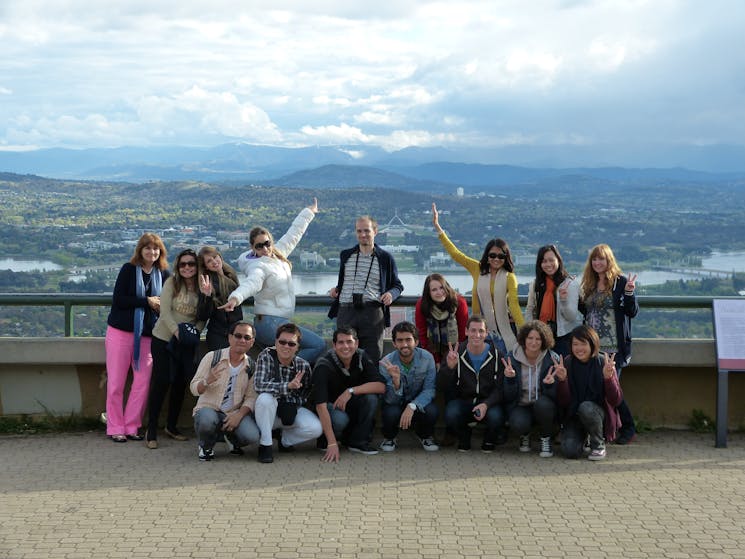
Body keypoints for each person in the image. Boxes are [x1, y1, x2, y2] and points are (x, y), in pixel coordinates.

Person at [220, 199, 325, 364]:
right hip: (271, 323)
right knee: (317, 345)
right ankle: (286, 372)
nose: (265, 249)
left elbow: (293, 235)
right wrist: (235, 298)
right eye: (259, 246)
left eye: (267, 243)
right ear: (252, 248)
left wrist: (309, 212)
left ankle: (280, 374)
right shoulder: (257, 266)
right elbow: (251, 284)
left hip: (276, 321)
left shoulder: (277, 254)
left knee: (282, 356)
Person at [432, 203, 523, 354]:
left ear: (506, 257)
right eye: (492, 255)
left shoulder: (509, 277)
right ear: (487, 256)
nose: (496, 259)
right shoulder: (477, 269)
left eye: (501, 256)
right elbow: (456, 254)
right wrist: (438, 227)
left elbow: (514, 306)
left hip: (505, 329)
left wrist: (526, 331)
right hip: (480, 331)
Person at [104, 233, 169, 443]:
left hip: (148, 336)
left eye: (156, 249)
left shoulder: (164, 274)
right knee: (116, 383)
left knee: (141, 383)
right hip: (121, 333)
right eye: (148, 248)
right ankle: (115, 426)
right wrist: (146, 301)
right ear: (140, 251)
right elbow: (119, 299)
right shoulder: (128, 270)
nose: (152, 252)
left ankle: (132, 426)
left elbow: (169, 302)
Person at [579, 243, 639, 444]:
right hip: (592, 347)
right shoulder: (589, 283)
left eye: (601, 259)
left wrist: (630, 293)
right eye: (594, 259)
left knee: (613, 389)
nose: (597, 262)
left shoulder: (620, 282)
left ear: (609, 260)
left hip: (613, 348)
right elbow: (584, 311)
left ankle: (628, 428)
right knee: (599, 390)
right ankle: (606, 429)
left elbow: (632, 312)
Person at [145, 248, 205, 449]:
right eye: (183, 264)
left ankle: (171, 426)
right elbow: (164, 311)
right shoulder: (172, 282)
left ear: (197, 266)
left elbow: (203, 316)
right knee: (162, 381)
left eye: (191, 264)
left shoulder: (202, 286)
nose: (187, 267)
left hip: (186, 342)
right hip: (163, 338)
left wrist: (193, 333)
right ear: (178, 267)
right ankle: (151, 429)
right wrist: (176, 332)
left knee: (180, 383)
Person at [327, 215, 403, 362]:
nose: (362, 235)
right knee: (344, 357)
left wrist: (391, 294)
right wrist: (337, 289)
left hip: (372, 313)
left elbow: (397, 285)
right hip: (346, 311)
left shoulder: (385, 258)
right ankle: (349, 385)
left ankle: (370, 385)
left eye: (366, 231)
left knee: (371, 357)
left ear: (375, 231)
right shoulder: (346, 255)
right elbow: (345, 280)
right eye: (359, 231)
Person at [312, 327, 386, 462]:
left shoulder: (361, 356)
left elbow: (381, 386)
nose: (345, 346)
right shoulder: (324, 364)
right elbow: (320, 406)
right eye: (341, 342)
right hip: (329, 408)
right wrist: (332, 444)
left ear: (356, 344)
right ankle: (326, 440)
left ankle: (357, 442)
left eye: (349, 342)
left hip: (350, 405)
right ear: (334, 345)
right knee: (341, 420)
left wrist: (350, 391)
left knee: (371, 399)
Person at [550, 325, 623, 461]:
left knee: (586, 407)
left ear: (592, 344)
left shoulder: (602, 362)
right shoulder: (567, 363)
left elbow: (616, 400)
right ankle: (584, 437)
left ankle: (598, 445)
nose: (579, 348)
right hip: (574, 416)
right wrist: (563, 380)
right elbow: (563, 401)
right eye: (575, 344)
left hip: (597, 414)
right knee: (570, 451)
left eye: (583, 343)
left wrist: (609, 378)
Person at [189, 321, 260, 461]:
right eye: (238, 336)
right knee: (206, 420)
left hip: (232, 412)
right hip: (209, 409)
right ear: (229, 338)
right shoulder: (212, 357)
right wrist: (206, 381)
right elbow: (193, 388)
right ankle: (206, 446)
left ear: (252, 342)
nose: (241, 340)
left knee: (252, 436)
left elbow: (251, 397)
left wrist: (239, 416)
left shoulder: (252, 366)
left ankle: (231, 439)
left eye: (246, 337)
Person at [253, 323, 322, 464]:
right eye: (282, 342)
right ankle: (265, 445)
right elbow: (259, 385)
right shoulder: (266, 356)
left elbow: (307, 391)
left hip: (289, 408)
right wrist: (288, 386)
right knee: (265, 398)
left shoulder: (303, 365)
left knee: (315, 428)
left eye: (291, 344)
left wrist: (292, 405)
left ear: (297, 347)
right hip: (266, 411)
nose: (286, 346)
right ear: (275, 342)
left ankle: (285, 440)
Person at [440, 315, 506, 452]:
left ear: (486, 333)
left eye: (481, 331)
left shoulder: (497, 355)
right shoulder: (454, 353)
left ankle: (489, 439)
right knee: (451, 413)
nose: (477, 335)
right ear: (466, 331)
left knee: (497, 416)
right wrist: (450, 369)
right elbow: (442, 385)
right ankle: (464, 436)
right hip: (464, 401)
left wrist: (486, 404)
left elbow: (500, 388)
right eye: (473, 330)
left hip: (487, 402)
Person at [502, 320, 560, 458]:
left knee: (544, 405)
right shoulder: (511, 359)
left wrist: (550, 385)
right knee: (517, 422)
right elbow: (508, 396)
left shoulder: (553, 359)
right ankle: (524, 435)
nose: (534, 342)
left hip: (541, 404)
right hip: (521, 405)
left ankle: (545, 438)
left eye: (538, 339)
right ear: (524, 339)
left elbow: (555, 397)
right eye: (530, 338)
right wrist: (510, 380)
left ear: (544, 341)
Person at [378, 321, 439, 452]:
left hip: (418, 404)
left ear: (416, 342)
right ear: (394, 343)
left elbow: (430, 389)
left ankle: (424, 435)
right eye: (400, 340)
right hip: (396, 403)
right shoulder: (386, 363)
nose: (404, 344)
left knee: (432, 411)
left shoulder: (427, 358)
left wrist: (412, 406)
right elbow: (389, 400)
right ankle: (389, 437)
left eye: (408, 340)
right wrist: (396, 381)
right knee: (390, 412)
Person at [524, 245, 581, 356]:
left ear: (558, 261)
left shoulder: (569, 284)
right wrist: (529, 333)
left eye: (551, 260)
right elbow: (530, 309)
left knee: (562, 371)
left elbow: (571, 317)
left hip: (562, 338)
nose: (548, 264)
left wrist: (563, 300)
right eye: (544, 261)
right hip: (540, 337)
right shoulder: (536, 284)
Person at [414, 273, 468, 364]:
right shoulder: (422, 305)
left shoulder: (458, 302)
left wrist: (456, 355)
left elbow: (463, 333)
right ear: (428, 292)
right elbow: (422, 334)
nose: (439, 292)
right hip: (432, 350)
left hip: (456, 350)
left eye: (441, 287)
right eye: (434, 290)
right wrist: (435, 360)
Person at [196, 245, 243, 351]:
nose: (214, 261)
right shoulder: (208, 284)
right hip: (220, 336)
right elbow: (202, 315)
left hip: (235, 333)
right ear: (206, 266)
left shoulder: (230, 275)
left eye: (215, 257)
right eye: (209, 261)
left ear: (220, 256)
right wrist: (207, 296)